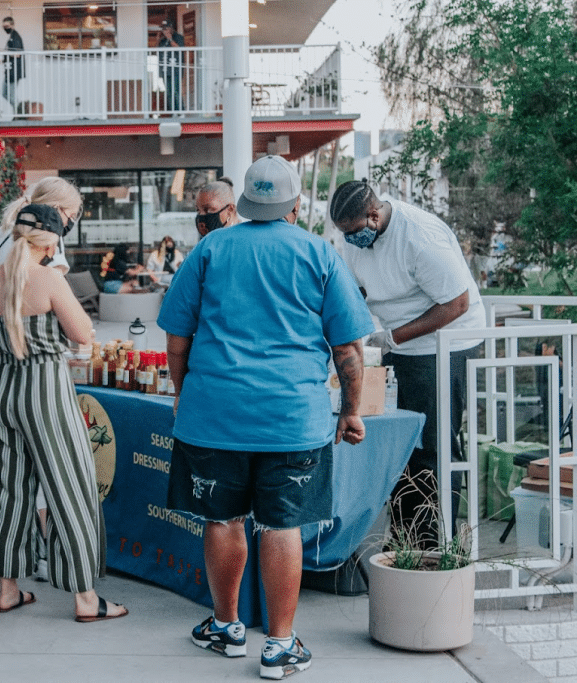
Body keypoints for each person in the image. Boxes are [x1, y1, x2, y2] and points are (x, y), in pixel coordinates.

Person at [158, 155, 372, 680]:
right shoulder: (319, 253)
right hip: (292, 419)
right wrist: (350, 411)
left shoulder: (209, 249)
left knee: (222, 518)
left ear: (245, 204)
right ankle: (279, 646)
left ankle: (227, 627)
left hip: (214, 415)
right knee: (283, 525)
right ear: (297, 204)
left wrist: (185, 393)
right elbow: (348, 348)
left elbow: (177, 337)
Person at [0, 204, 128, 623]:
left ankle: (7, 590)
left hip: (4, 390)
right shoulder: (48, 279)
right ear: (53, 240)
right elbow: (82, 333)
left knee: (10, 491)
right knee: (70, 489)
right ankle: (85, 598)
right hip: (46, 394)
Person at [330, 179, 485, 549]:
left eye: (353, 233)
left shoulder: (419, 237)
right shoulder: (353, 237)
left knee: (433, 445)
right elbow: (359, 289)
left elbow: (456, 303)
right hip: (396, 345)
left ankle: (432, 544)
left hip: (446, 343)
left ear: (373, 214)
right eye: (344, 234)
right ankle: (403, 536)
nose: (350, 241)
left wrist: (395, 336)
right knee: (401, 442)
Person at [0, 177, 82, 277]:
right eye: (70, 216)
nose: (67, 224)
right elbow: (56, 290)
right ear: (56, 209)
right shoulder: (47, 246)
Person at [157, 20, 185, 113]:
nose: (164, 30)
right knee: (169, 92)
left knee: (175, 91)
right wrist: (158, 39)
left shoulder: (178, 37)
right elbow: (157, 51)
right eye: (163, 29)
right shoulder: (162, 40)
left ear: (171, 28)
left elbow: (179, 49)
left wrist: (170, 38)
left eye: (166, 28)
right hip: (165, 70)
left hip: (175, 69)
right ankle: (173, 112)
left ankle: (180, 111)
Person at [1, 17, 25, 115]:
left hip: (14, 71)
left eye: (7, 26)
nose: (5, 28)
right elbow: (11, 55)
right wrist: (2, 60)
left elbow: (17, 54)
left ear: (12, 25)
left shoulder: (15, 37)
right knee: (4, 93)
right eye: (3, 26)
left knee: (11, 95)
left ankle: (19, 114)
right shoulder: (11, 37)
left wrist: (4, 53)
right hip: (9, 70)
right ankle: (19, 111)